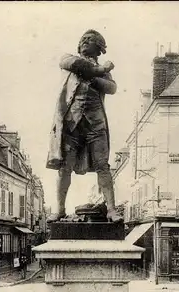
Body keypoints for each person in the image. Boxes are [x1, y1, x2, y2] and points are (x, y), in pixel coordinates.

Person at [46, 29, 123, 223]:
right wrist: (100, 70)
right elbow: (70, 63)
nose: (85, 42)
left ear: (99, 48)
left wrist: (96, 77)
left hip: (96, 123)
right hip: (72, 124)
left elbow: (112, 88)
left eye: (90, 40)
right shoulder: (70, 61)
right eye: (83, 39)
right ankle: (60, 209)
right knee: (64, 168)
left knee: (102, 166)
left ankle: (112, 210)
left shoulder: (105, 72)